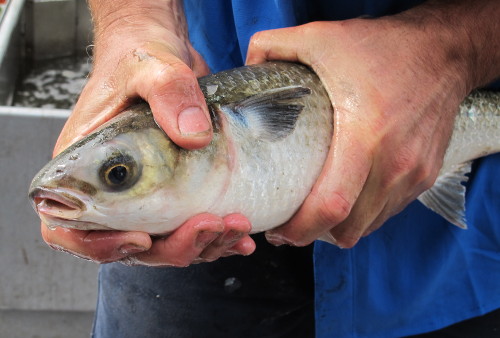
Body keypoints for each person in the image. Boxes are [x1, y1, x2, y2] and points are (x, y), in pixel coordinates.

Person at [40, 0, 500, 337]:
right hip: (183, 268)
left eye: (119, 173)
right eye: (118, 174)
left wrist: (454, 47)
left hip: (449, 256)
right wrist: (133, 20)